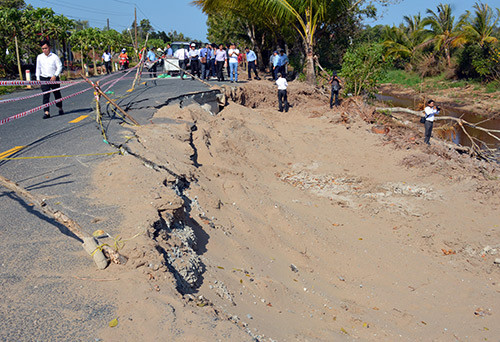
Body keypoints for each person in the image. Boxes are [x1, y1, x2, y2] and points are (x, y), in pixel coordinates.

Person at [36, 40, 63, 119]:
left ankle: (60, 108)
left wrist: (55, 75)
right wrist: (38, 78)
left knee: (57, 94)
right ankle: (46, 112)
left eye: (45, 48)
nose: (44, 50)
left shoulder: (54, 57)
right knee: (45, 95)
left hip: (53, 78)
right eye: (43, 49)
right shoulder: (39, 57)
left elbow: (59, 66)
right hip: (44, 78)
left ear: (49, 47)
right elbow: (38, 68)